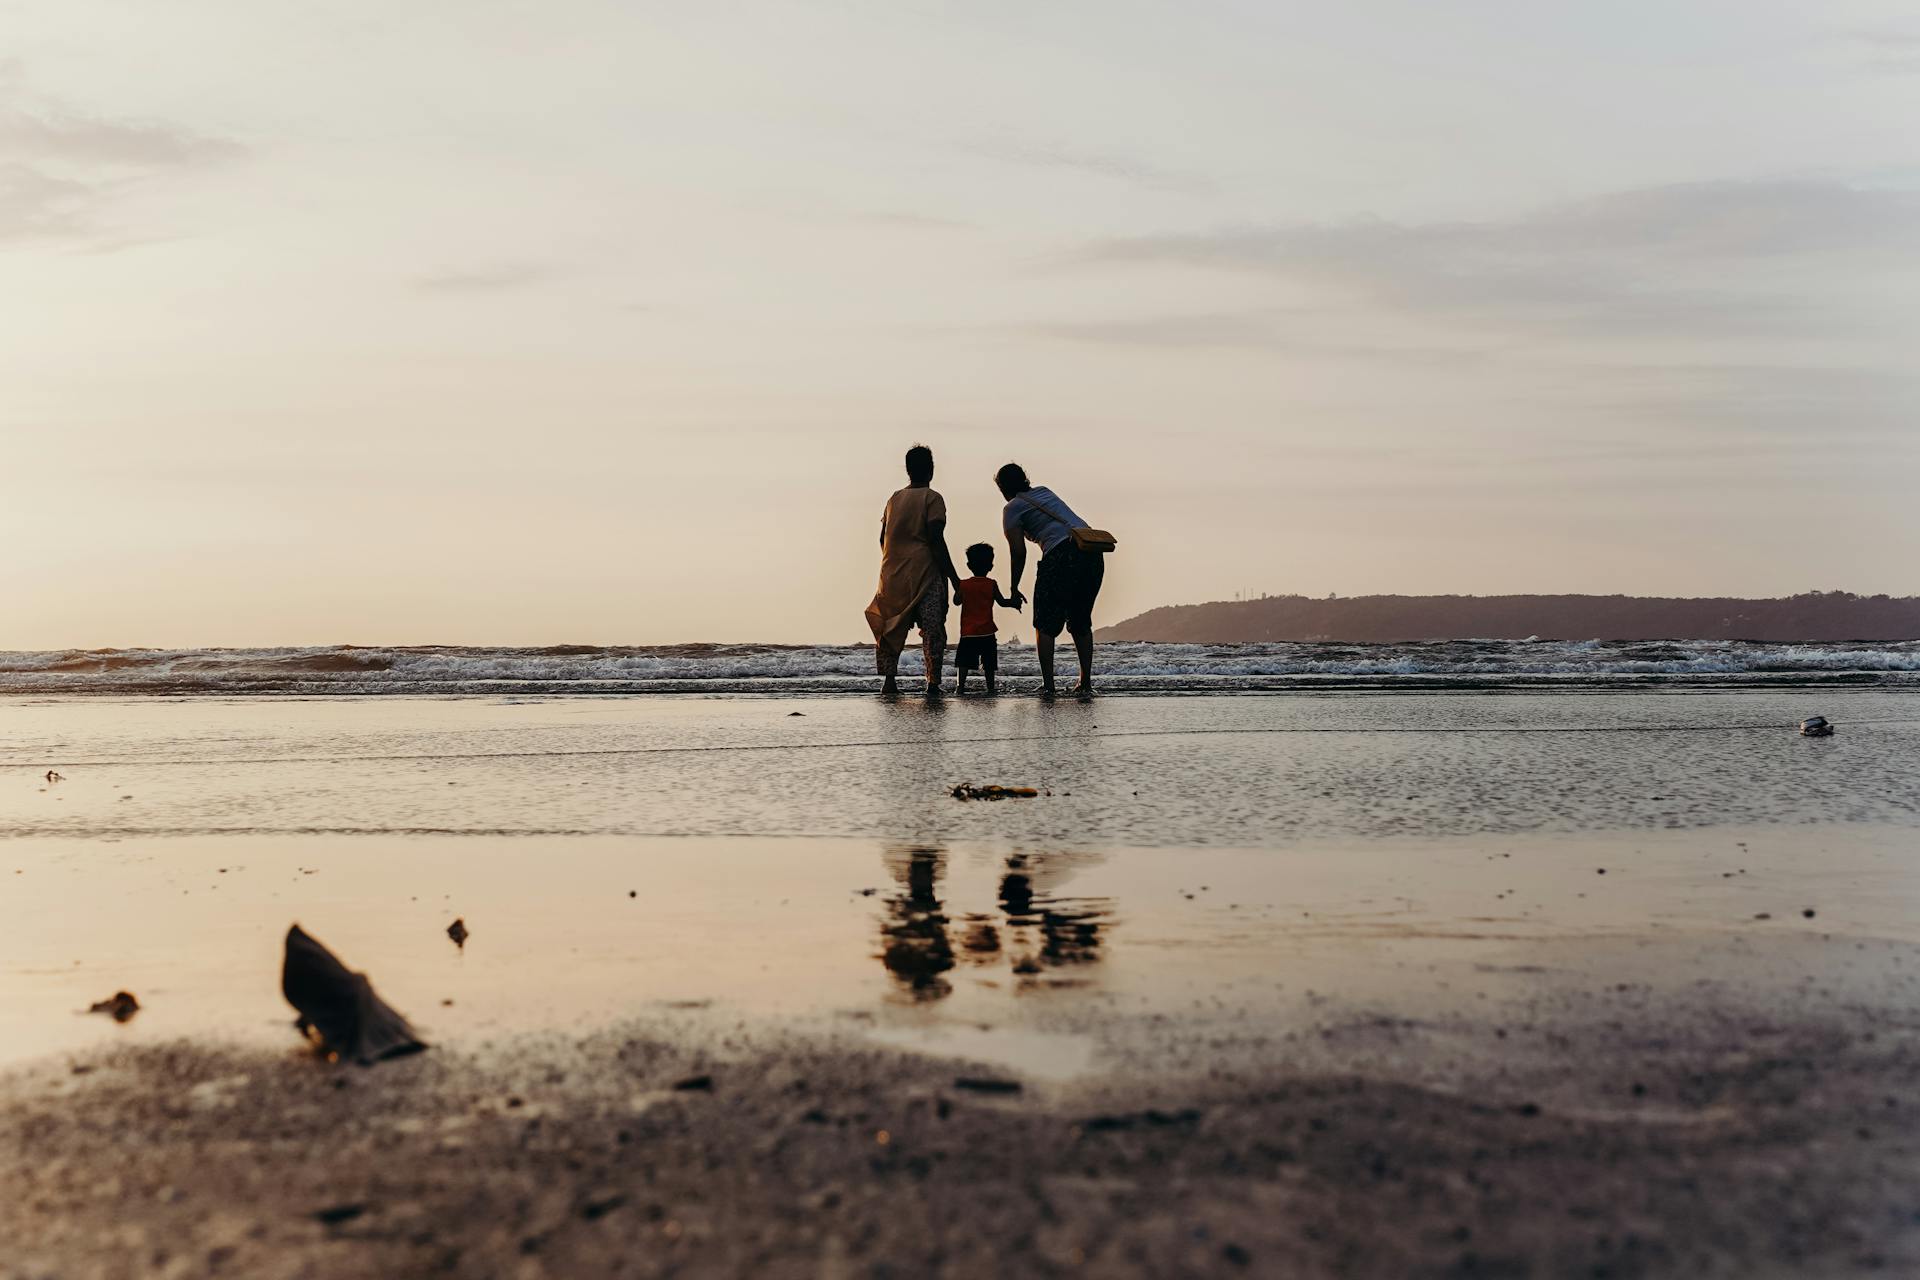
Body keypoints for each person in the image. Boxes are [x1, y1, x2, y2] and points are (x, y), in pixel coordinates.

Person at [995, 462, 1104, 697]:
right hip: (1091, 552)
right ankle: (1085, 683)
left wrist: (1014, 587)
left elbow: (1018, 551)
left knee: (1045, 622)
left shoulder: (1012, 508)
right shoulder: (1044, 491)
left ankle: (1048, 685)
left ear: (1003, 489)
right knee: (1080, 619)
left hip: (1061, 555)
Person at [866, 445, 963, 697]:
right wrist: (954, 579)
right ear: (931, 468)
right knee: (932, 629)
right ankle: (932, 682)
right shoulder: (933, 498)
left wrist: (896, 560)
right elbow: (936, 539)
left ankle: (889, 681)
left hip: (893, 573)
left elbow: (882, 539)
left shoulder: (894, 499)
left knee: (890, 628)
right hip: (925, 573)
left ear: (908, 470)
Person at [953, 542, 1018, 696]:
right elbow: (1002, 602)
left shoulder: (964, 584)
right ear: (990, 565)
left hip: (968, 633)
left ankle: (960, 687)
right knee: (989, 663)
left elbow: (956, 601)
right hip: (987, 632)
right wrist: (1014, 602)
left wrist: (958, 588)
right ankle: (990, 687)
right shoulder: (991, 584)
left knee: (963, 662)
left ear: (969, 565)